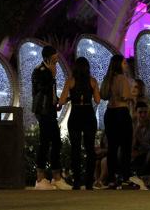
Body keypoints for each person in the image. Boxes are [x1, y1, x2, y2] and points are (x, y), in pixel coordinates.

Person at [31, 45, 71, 190]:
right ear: (48, 57)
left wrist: (58, 102)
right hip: (43, 111)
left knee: (54, 142)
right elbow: (42, 89)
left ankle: (55, 177)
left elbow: (50, 93)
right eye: (55, 55)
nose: (57, 57)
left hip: (50, 110)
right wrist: (52, 75)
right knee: (46, 142)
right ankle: (41, 178)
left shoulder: (49, 70)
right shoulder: (40, 71)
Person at [58, 57, 100, 190]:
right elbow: (98, 100)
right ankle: (89, 182)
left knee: (75, 149)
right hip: (88, 114)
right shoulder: (92, 81)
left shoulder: (70, 81)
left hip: (75, 114)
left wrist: (71, 97)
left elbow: (62, 100)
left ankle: (76, 181)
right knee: (90, 149)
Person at [101, 54, 132, 189]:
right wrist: (131, 96)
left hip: (110, 113)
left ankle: (111, 178)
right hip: (121, 112)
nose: (126, 66)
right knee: (125, 147)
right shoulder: (122, 79)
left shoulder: (107, 79)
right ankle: (125, 178)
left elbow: (103, 95)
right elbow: (125, 96)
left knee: (112, 148)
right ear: (120, 64)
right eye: (124, 63)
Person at [130, 101, 150, 188]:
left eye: (145, 112)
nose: (143, 115)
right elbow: (130, 146)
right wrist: (137, 129)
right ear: (136, 113)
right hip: (137, 152)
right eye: (140, 112)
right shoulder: (132, 124)